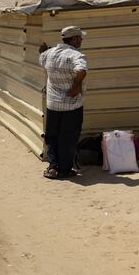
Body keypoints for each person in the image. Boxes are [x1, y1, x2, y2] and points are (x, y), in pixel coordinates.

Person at [39, 26, 88, 180]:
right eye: (79, 37)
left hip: (53, 104)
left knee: (52, 136)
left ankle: (53, 166)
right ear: (73, 39)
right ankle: (65, 170)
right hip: (71, 106)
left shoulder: (49, 54)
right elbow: (81, 70)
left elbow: (41, 57)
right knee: (68, 138)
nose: (81, 40)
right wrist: (76, 85)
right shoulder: (76, 55)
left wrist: (43, 51)